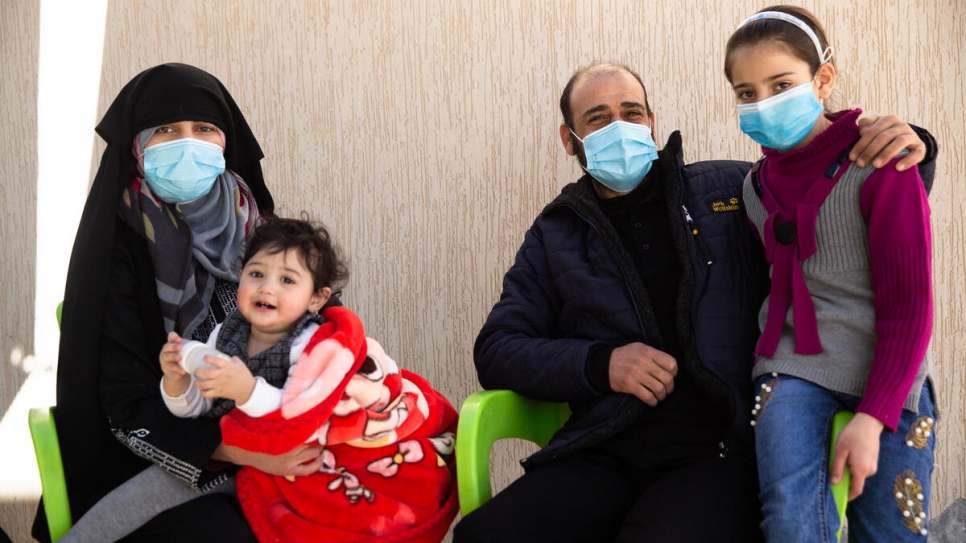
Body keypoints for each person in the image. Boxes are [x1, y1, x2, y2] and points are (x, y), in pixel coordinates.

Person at [453, 61, 936, 543]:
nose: (619, 127)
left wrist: (909, 145)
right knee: (484, 535)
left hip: (718, 452)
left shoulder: (731, 190)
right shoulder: (555, 233)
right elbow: (497, 349)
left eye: (632, 112)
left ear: (652, 121)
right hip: (601, 449)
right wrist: (601, 364)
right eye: (598, 118)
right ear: (569, 138)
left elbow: (833, 201)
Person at [34, 63, 321, 543]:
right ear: (138, 147)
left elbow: (321, 337)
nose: (188, 141)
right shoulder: (118, 251)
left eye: (204, 128)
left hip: (281, 443)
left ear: (226, 143)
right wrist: (241, 452)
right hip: (160, 458)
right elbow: (124, 408)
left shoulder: (267, 237)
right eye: (166, 129)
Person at [724, 6, 936, 542]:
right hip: (790, 368)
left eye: (781, 84)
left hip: (888, 368)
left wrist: (874, 416)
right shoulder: (752, 188)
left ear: (823, 79)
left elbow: (909, 306)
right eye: (746, 93)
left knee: (892, 529)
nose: (763, 103)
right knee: (790, 521)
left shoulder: (884, 163)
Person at [57, 216, 343, 542]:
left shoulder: (313, 343)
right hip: (223, 460)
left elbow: (304, 412)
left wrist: (248, 391)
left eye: (287, 281)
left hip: (288, 474)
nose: (267, 287)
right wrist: (176, 383)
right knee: (131, 502)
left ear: (317, 299)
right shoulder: (226, 332)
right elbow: (195, 408)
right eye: (256, 274)